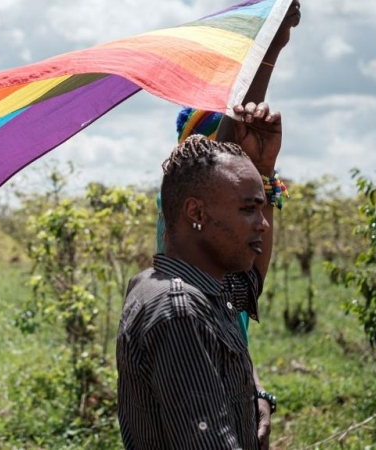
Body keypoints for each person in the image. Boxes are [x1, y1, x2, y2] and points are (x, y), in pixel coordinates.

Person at [117, 100, 285, 449]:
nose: (264, 222)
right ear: (196, 212)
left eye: (263, 204)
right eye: (248, 209)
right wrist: (270, 51)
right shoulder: (181, 312)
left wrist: (265, 168)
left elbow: (250, 281)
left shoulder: (191, 287)